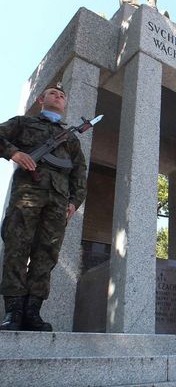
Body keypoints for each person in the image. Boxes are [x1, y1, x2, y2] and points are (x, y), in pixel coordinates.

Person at [0, 83, 87, 332]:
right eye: (53, 93)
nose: (58, 97)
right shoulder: (23, 123)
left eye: (62, 95)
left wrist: (74, 202)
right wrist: (13, 153)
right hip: (27, 195)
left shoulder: (70, 138)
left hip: (58, 202)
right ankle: (13, 311)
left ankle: (33, 311)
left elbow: (79, 173)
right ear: (41, 99)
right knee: (17, 249)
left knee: (46, 254)